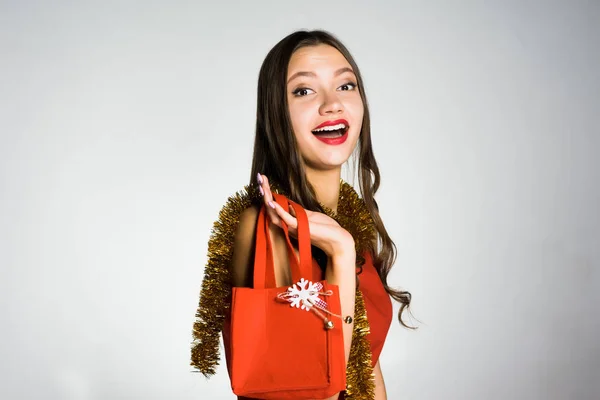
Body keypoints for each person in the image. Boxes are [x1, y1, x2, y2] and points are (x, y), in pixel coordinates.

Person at [191, 29, 415, 400]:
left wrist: (343, 242)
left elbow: (366, 366)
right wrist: (340, 253)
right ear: (276, 114)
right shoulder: (266, 227)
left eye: (346, 86)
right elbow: (314, 388)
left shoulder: (348, 219)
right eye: (304, 91)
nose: (332, 104)